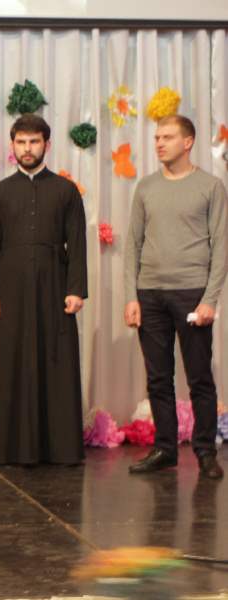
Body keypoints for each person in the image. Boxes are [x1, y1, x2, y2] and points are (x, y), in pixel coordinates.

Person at [0, 114, 87, 466]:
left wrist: (76, 289)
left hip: (54, 291)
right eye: (21, 142)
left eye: (34, 142)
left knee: (56, 362)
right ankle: (7, 449)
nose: (27, 148)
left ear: (46, 145)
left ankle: (60, 449)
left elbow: (77, 244)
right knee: (9, 365)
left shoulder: (66, 191)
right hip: (8, 295)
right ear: (12, 146)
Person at [124, 115, 227, 479]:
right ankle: (165, 449)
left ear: (188, 142)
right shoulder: (146, 187)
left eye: (167, 137)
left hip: (191, 294)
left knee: (199, 378)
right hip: (150, 294)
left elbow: (220, 246)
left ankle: (205, 451)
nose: (159, 143)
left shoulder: (210, 186)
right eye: (157, 137)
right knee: (158, 377)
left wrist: (210, 299)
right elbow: (133, 244)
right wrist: (131, 296)